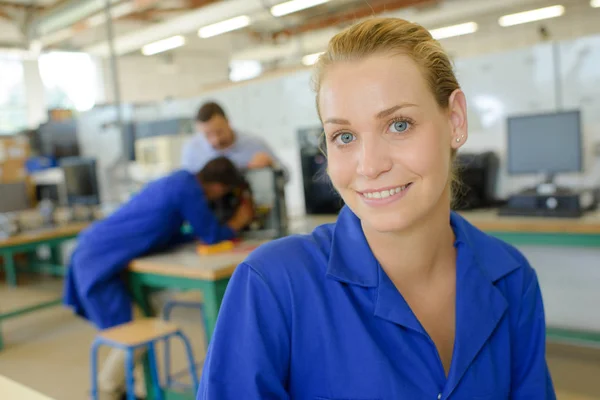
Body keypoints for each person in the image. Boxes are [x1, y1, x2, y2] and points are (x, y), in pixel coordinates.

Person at [197, 18, 556, 399]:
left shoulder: (512, 277)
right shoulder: (272, 288)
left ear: (455, 120)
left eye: (399, 125)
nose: (369, 166)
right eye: (344, 136)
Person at [63, 156, 254, 400]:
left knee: (146, 320)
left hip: (97, 252)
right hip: (99, 262)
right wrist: (238, 221)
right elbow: (211, 235)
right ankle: (106, 390)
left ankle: (136, 389)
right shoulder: (188, 189)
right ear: (218, 188)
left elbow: (170, 233)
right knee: (136, 333)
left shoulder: (179, 180)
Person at [181, 101, 287, 178]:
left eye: (219, 132)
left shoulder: (254, 144)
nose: (216, 140)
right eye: (208, 135)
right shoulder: (192, 150)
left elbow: (286, 175)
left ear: (228, 122)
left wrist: (271, 165)